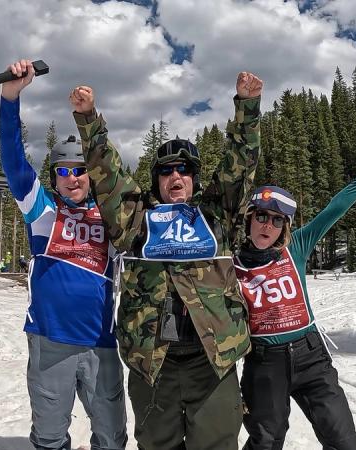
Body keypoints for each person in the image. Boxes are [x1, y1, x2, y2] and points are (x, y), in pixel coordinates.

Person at [70, 71, 262, 450]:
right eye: (166, 171)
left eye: (184, 170)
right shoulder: (137, 220)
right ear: (156, 180)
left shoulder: (217, 213)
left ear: (194, 177)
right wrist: (89, 119)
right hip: (153, 365)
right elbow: (106, 175)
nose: (176, 176)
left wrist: (248, 107)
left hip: (213, 363)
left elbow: (240, 163)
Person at [0, 59, 127, 450]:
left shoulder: (112, 214)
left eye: (80, 170)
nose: (72, 178)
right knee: (51, 436)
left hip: (101, 342)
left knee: (111, 435)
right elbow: (13, 158)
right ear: (54, 177)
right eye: (64, 171)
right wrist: (10, 98)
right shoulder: (41, 210)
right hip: (50, 340)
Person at [235, 140, 356, 450]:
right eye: (262, 216)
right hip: (264, 364)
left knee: (343, 440)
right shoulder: (230, 262)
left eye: (278, 220)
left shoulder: (297, 248)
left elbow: (336, 207)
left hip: (311, 357)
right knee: (265, 441)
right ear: (249, 218)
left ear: (285, 227)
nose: (268, 225)